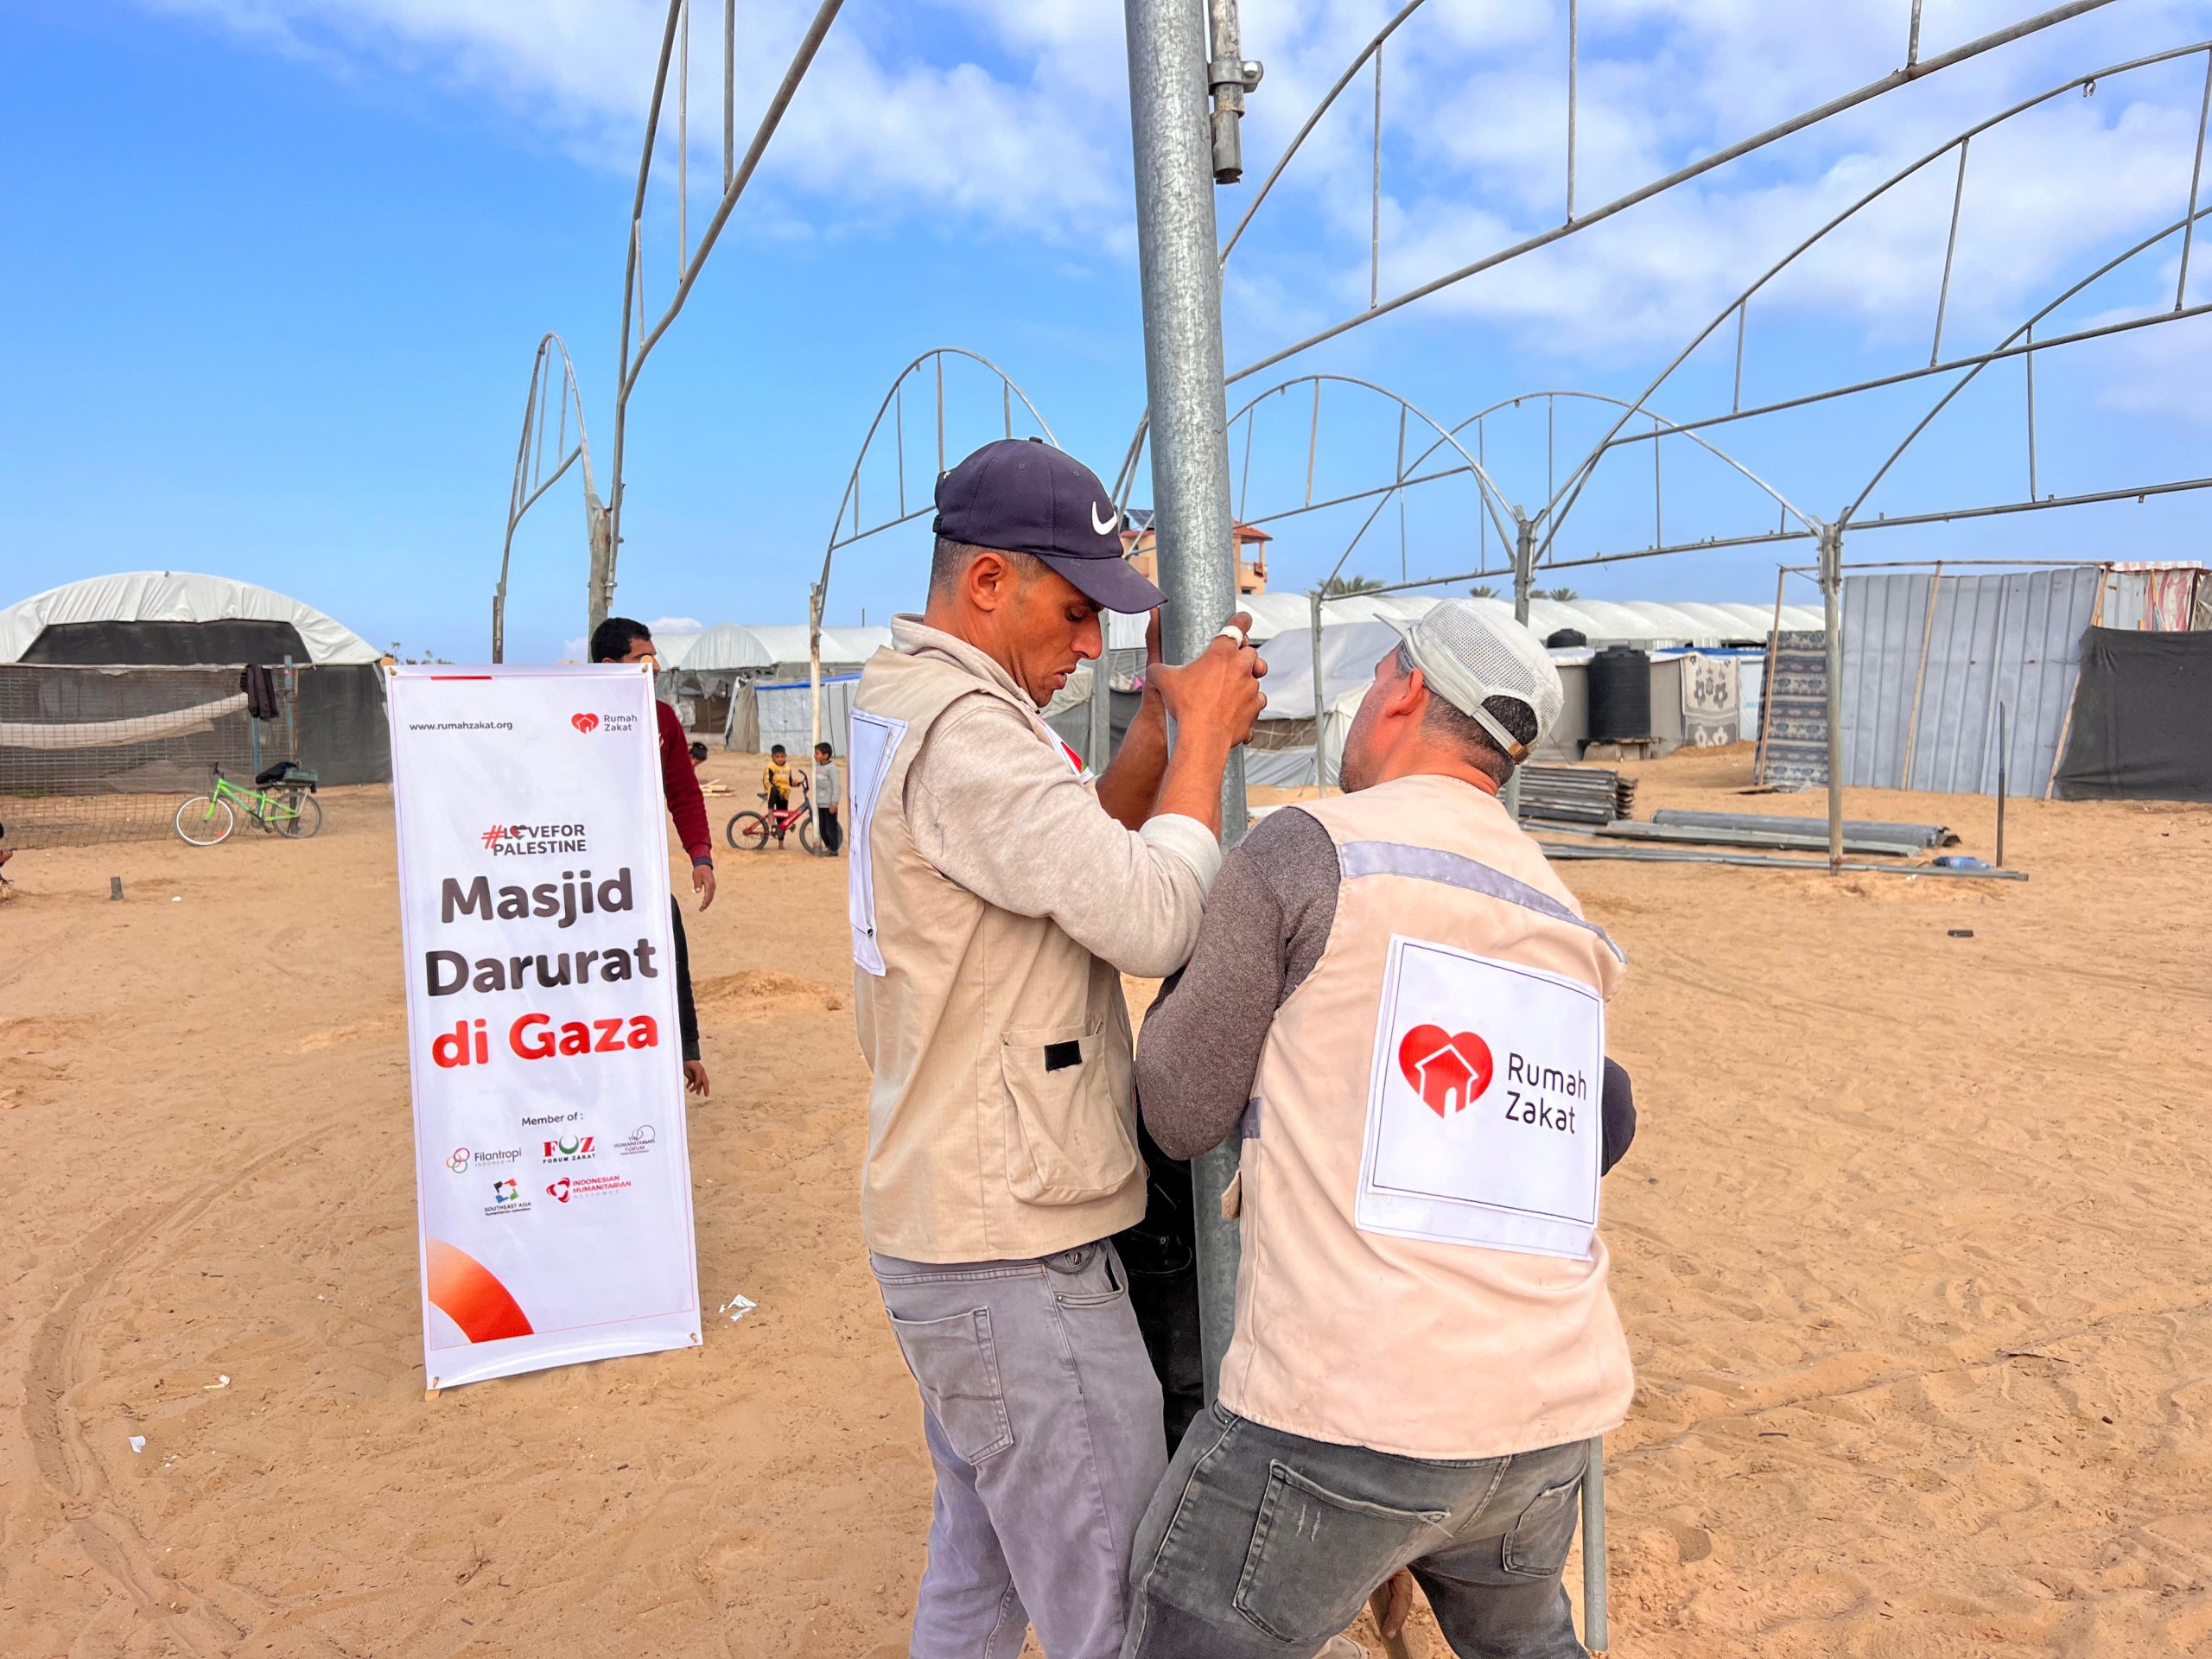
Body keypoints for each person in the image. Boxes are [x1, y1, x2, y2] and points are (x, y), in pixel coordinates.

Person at [1122, 601, 1638, 1659]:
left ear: (1403, 689)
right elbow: (1596, 1113)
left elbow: (1177, 1109)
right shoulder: (1562, 911)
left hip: (1350, 1417)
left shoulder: (1311, 848)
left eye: (1370, 685)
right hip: (1545, 1417)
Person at [850, 437, 1268, 1659]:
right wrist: (1204, 742)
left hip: (960, 1232)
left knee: (979, 1578)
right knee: (1119, 1612)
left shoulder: (917, 701)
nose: (1091, 644)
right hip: (1013, 1252)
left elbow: (1069, 856)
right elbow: (1152, 915)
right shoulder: (968, 735)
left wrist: (1156, 733)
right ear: (990, 582)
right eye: (1076, 610)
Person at [588, 617, 716, 1101]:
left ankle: (683, 1051)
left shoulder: (662, 720)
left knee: (667, 951)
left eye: (655, 656)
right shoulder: (566, 712)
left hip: (639, 878)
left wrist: (700, 855)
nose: (656, 666)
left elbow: (683, 792)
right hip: (573, 887)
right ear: (610, 665)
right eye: (644, 658)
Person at [811, 741, 843, 855]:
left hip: (829, 804)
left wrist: (834, 803)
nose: (815, 756)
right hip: (820, 804)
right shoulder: (818, 766)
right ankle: (829, 848)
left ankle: (834, 850)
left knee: (830, 829)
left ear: (825, 755)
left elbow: (837, 786)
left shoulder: (832, 768)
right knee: (822, 828)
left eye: (817, 754)